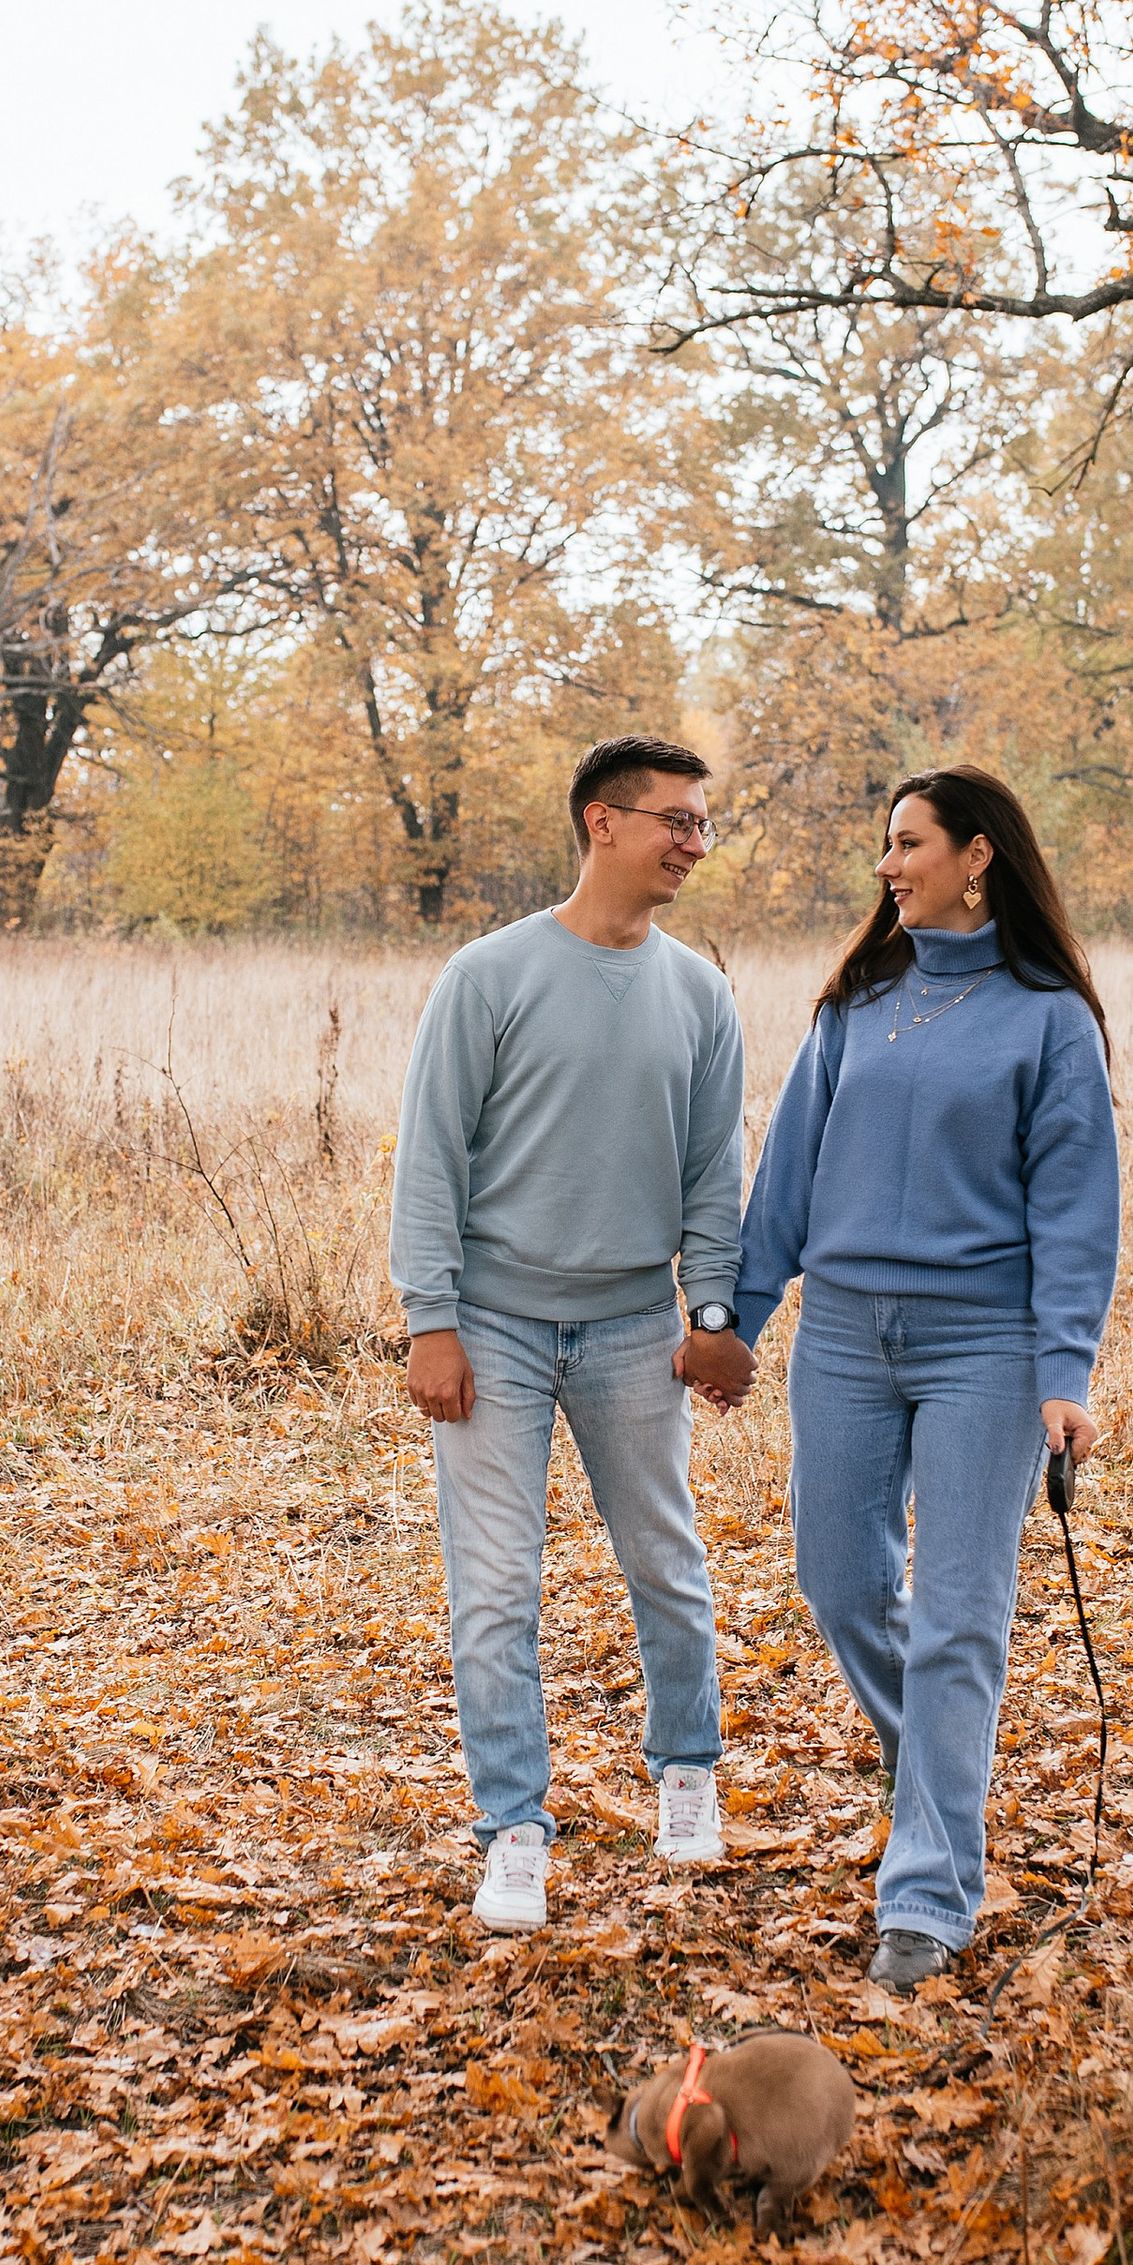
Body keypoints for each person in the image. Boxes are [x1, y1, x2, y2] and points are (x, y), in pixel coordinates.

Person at [734, 768, 1118, 1994]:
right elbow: (789, 1170)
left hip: (984, 1348)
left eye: (907, 844)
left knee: (960, 1617)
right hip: (843, 1333)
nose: (888, 866)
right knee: (837, 1578)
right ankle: (943, 1782)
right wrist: (737, 1318)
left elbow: (1075, 1208)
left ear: (977, 857)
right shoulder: (855, 999)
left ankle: (927, 1897)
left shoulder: (1049, 1017)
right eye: (885, 847)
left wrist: (1065, 1370)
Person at [390, 736, 756, 1934]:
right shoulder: (487, 975)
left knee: (665, 1561)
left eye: (703, 824)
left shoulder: (699, 993)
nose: (694, 843)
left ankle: (687, 1773)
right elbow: (432, 1156)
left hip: (631, 1327)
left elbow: (714, 1177)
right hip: (490, 1324)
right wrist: (429, 1320)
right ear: (604, 823)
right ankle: (512, 1833)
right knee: (493, 1590)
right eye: (676, 822)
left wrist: (710, 1315)